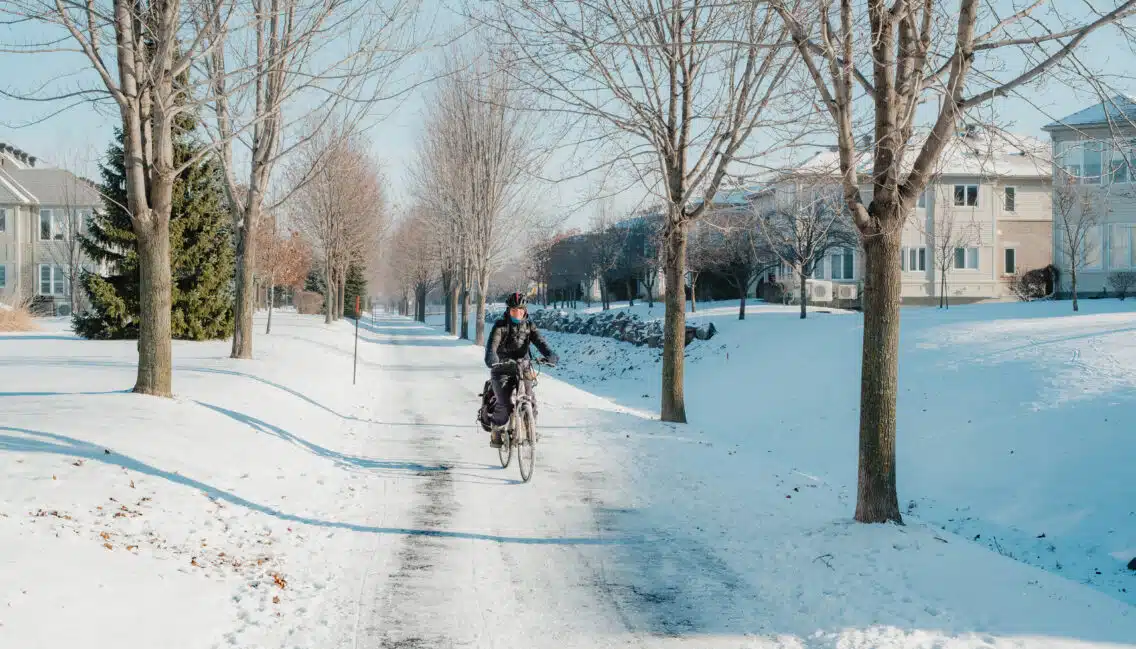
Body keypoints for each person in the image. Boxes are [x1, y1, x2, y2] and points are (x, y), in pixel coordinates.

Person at [483, 292, 558, 447]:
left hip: (523, 367)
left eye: (520, 310)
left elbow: (541, 342)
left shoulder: (529, 326)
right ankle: (496, 429)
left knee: (530, 400)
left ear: (525, 311)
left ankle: (530, 427)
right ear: (508, 311)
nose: (517, 313)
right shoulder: (500, 326)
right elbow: (492, 345)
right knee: (504, 404)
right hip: (502, 368)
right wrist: (492, 359)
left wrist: (550, 355)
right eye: (513, 310)